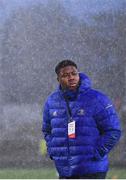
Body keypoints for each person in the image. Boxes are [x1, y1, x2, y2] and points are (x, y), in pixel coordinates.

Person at [42, 60, 121, 179]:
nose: (71, 77)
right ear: (58, 79)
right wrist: (54, 151)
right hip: (65, 171)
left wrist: (96, 153)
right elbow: (47, 131)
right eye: (65, 75)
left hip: (92, 170)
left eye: (74, 73)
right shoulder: (51, 102)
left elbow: (113, 130)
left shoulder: (97, 99)